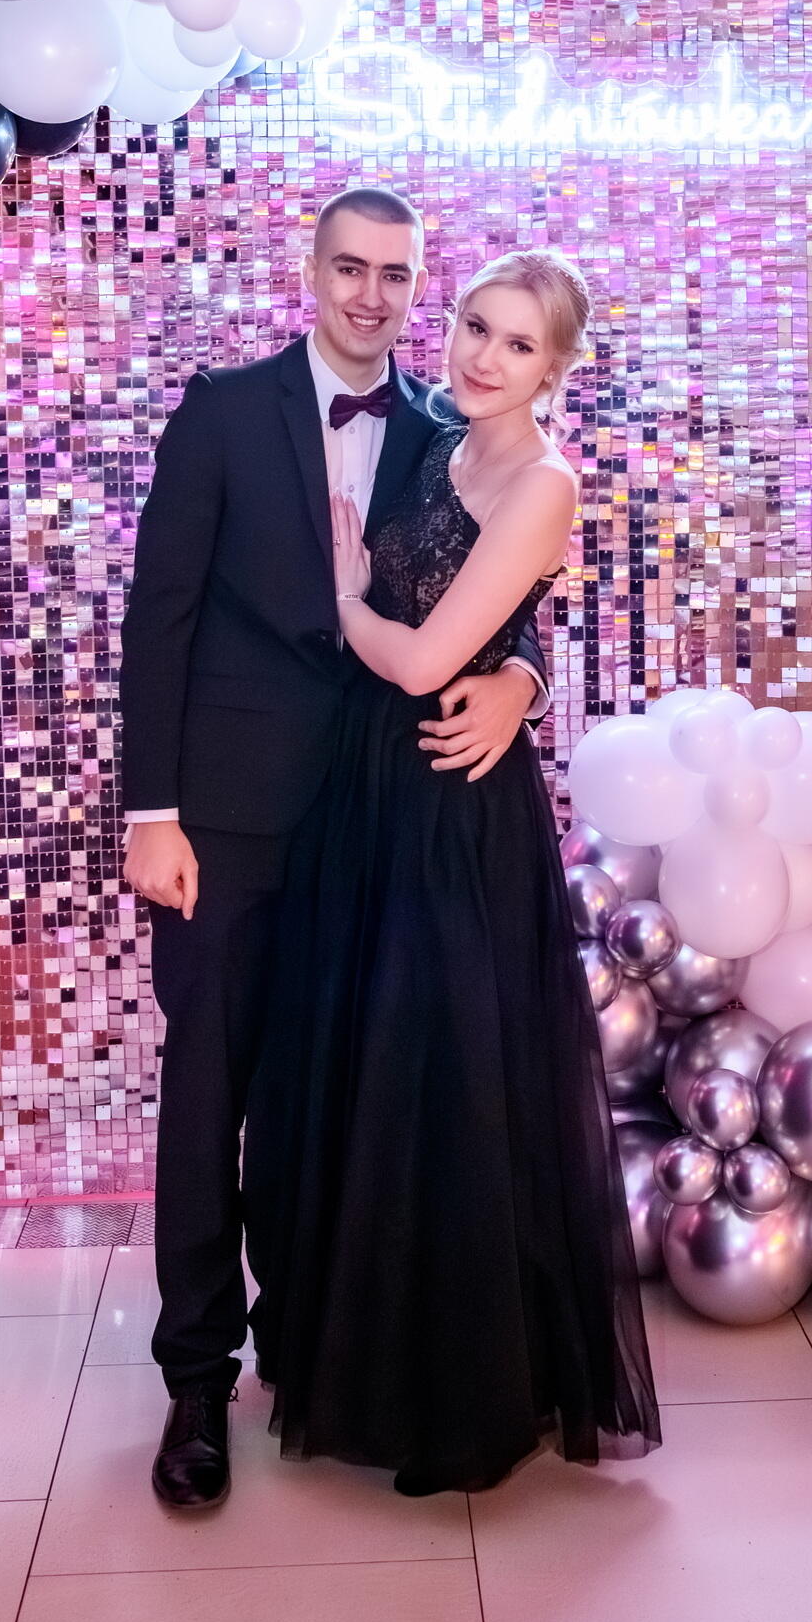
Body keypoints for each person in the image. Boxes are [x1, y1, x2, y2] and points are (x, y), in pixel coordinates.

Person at [119, 188, 550, 1509]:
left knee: (332, 1096)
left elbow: (496, 590)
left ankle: (309, 1339)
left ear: (417, 287)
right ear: (309, 272)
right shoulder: (221, 411)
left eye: (395, 274)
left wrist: (520, 680)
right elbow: (157, 612)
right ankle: (197, 1377)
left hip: (376, 818)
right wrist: (149, 812)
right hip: (229, 814)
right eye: (348, 267)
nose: (370, 294)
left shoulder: (443, 425)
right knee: (211, 1090)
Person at [244, 249, 662, 1496]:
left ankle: (455, 1391)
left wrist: (347, 599)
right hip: (367, 791)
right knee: (367, 1071)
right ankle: (359, 1355)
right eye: (476, 326)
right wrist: (520, 669)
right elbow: (504, 621)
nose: (483, 356)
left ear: (557, 367)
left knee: (443, 1085)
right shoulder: (433, 440)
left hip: (449, 806)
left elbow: (427, 660)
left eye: (517, 343)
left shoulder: (543, 479)